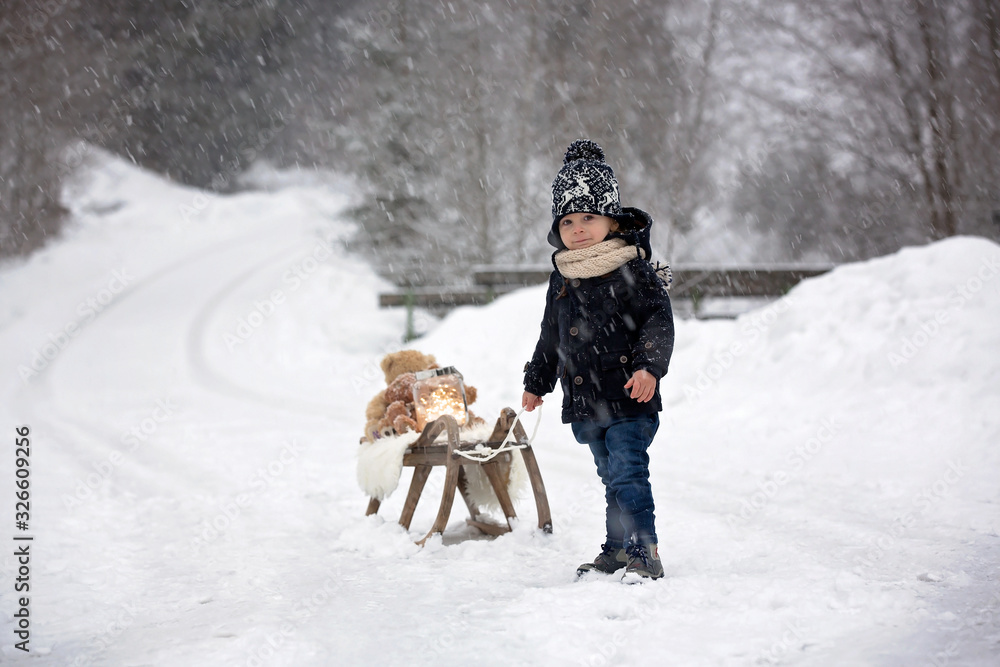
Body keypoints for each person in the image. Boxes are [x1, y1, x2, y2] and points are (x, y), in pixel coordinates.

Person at [522, 139, 674, 581]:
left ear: (612, 220)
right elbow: (551, 335)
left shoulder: (633, 268)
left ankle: (645, 550)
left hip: (629, 394)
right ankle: (618, 547)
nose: (579, 228)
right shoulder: (562, 278)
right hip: (588, 400)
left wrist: (649, 367)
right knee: (611, 479)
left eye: (589, 217)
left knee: (628, 472)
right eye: (568, 220)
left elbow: (657, 323)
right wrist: (537, 380)